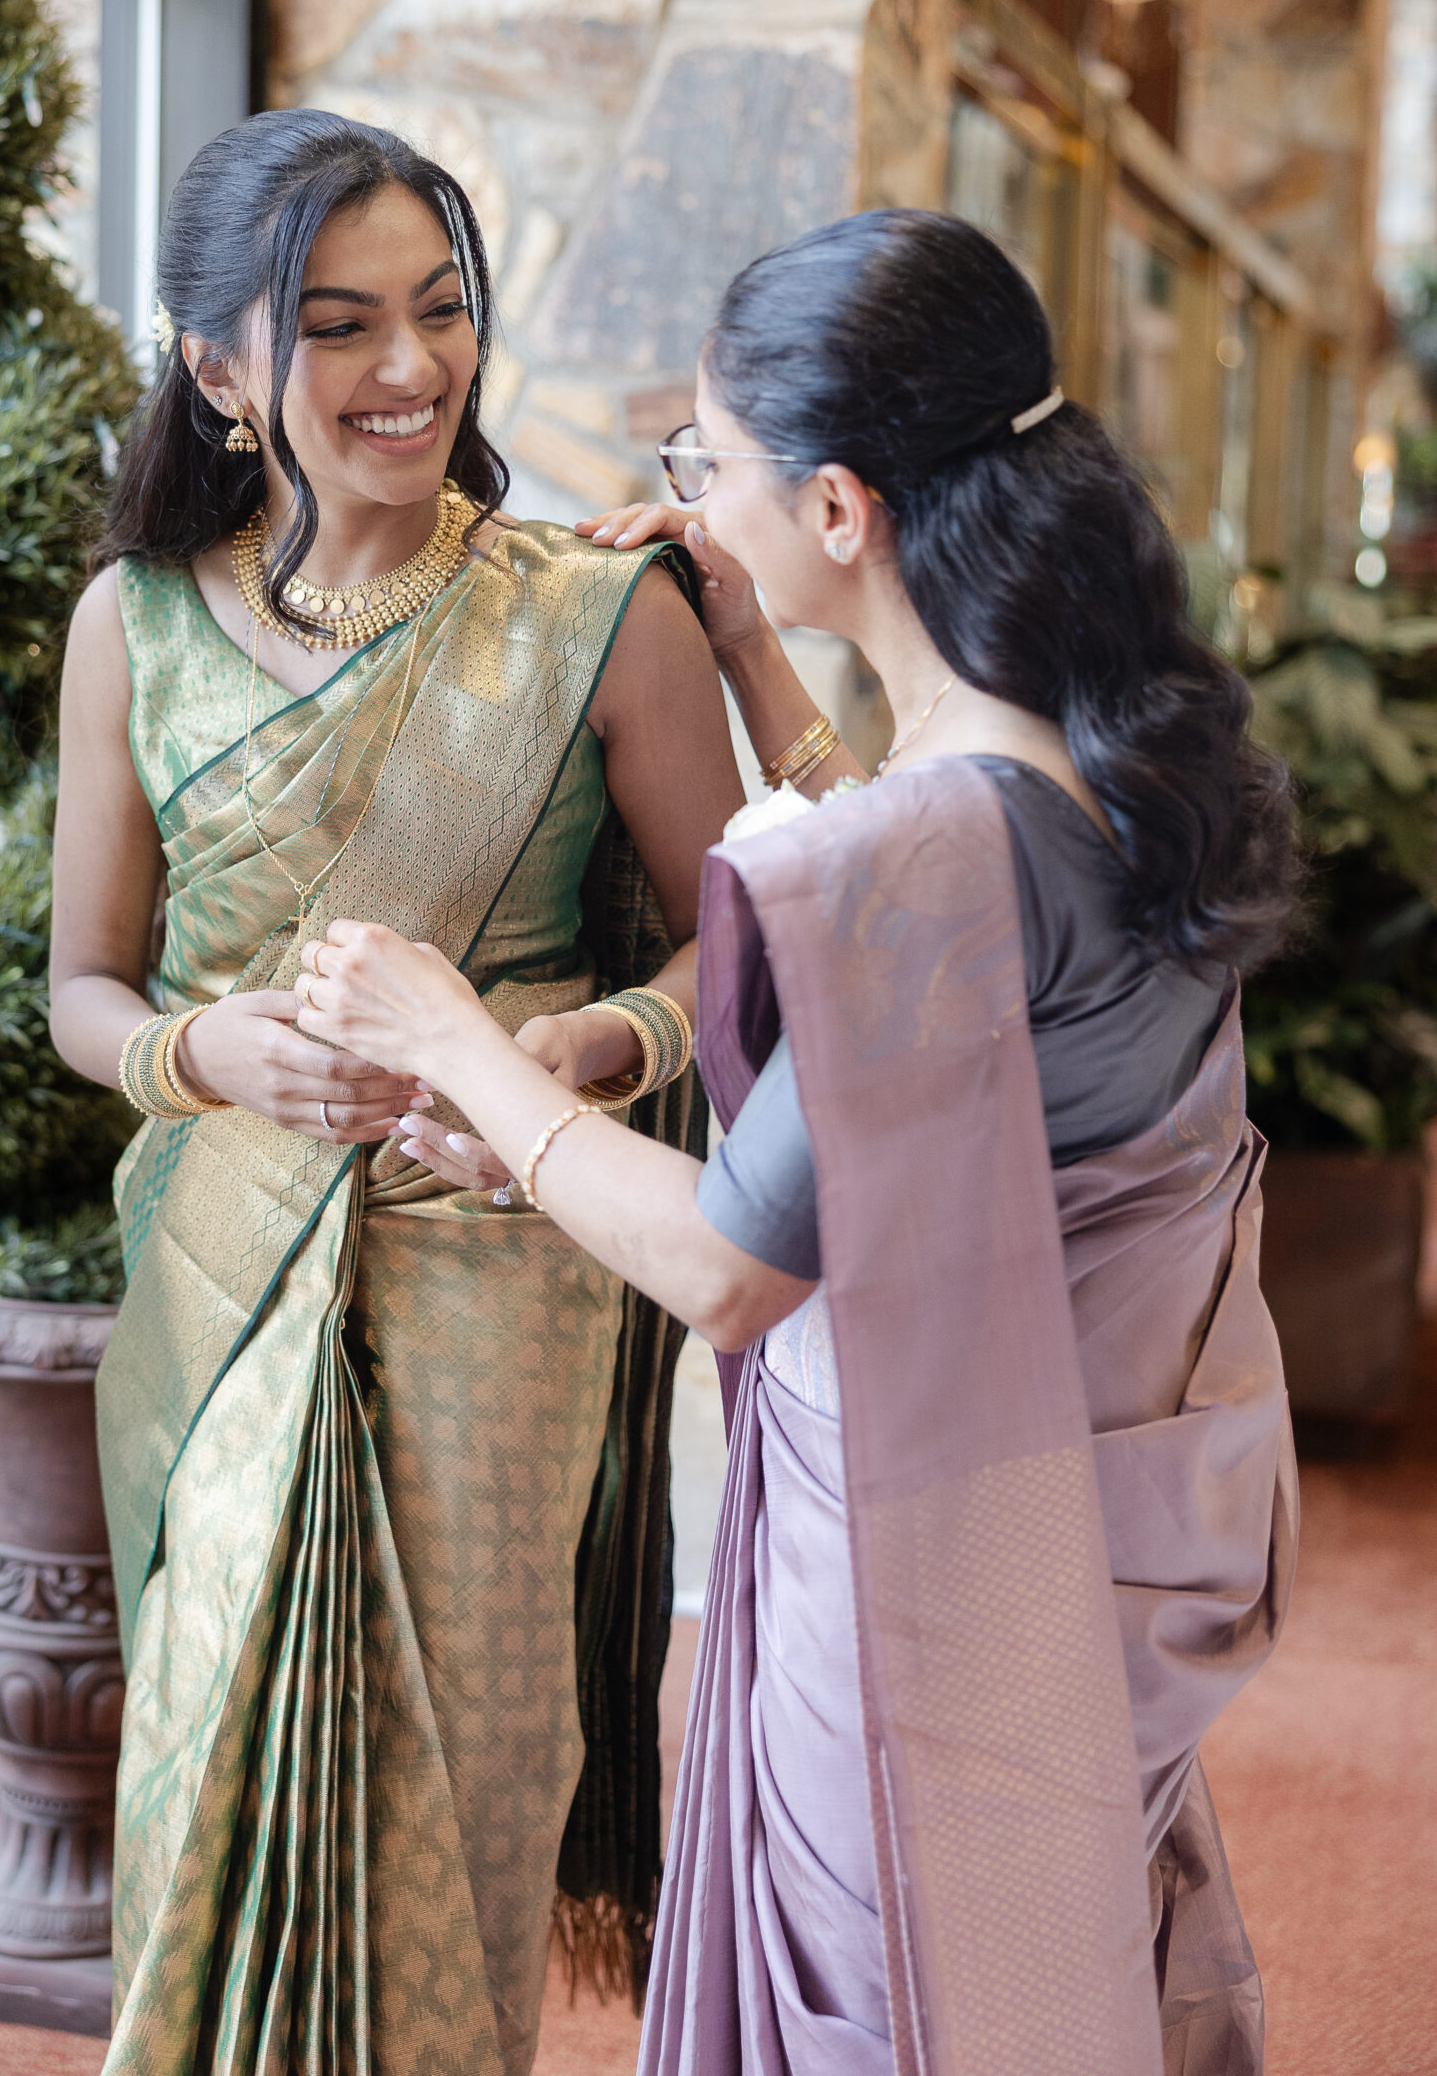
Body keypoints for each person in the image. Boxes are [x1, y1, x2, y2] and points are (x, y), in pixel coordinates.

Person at [301, 208, 1301, 2076]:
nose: (695, 494)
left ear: (840, 505)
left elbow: (730, 1267)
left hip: (950, 1570)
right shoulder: (1109, 750)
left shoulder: (932, 854)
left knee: (911, 2005)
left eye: (711, 460)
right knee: (1028, 1969)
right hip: (1111, 1511)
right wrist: (759, 661)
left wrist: (458, 1045)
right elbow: (948, 915)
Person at [48, 109, 744, 2076]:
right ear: (219, 370)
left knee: (460, 1802)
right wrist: (203, 1051)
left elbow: (746, 948)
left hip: (494, 1269)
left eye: (441, 308)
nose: (412, 366)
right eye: (339, 324)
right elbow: (83, 991)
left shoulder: (594, 615)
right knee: (203, 1771)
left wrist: (596, 1048)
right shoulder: (136, 625)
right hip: (214, 1272)